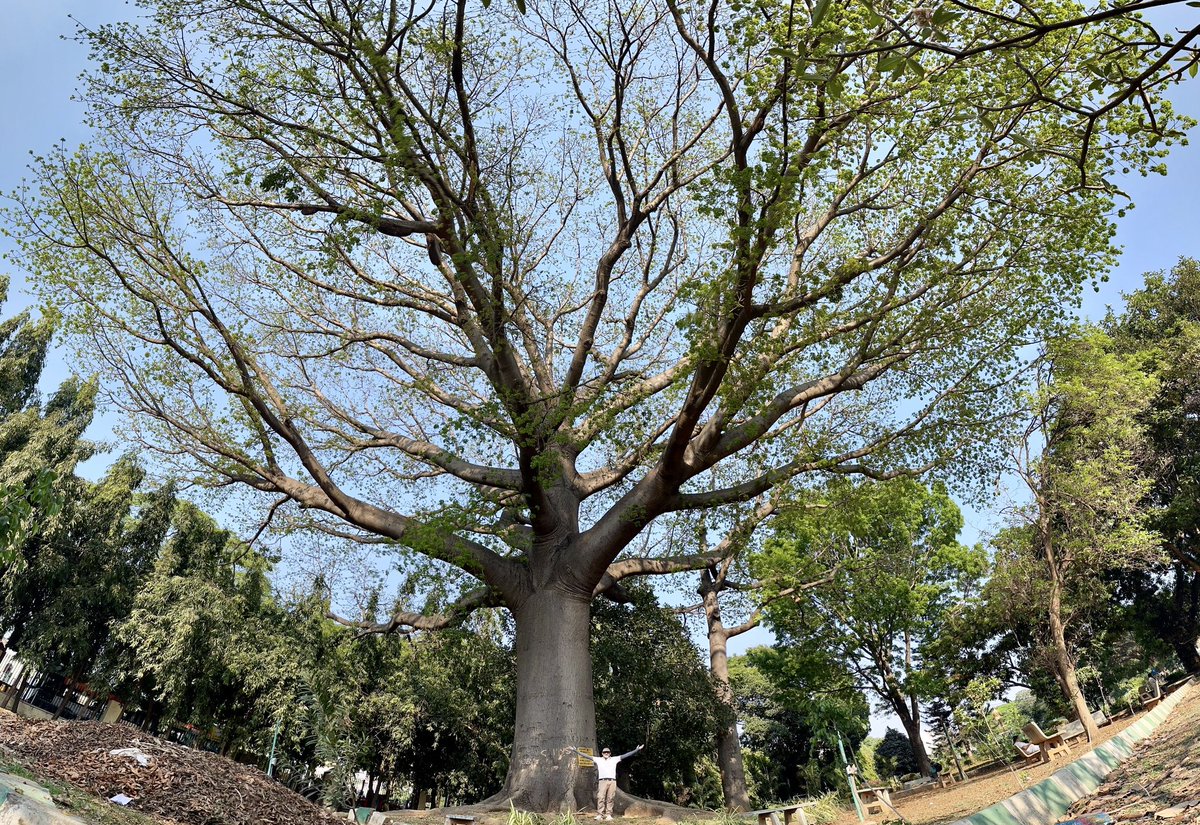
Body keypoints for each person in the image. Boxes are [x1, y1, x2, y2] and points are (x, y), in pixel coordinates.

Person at [566, 743, 644, 820]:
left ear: (610, 753)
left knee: (610, 798)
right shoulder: (598, 760)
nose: (606, 753)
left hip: (612, 781)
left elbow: (626, 755)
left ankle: (608, 814)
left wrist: (636, 750)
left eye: (607, 752)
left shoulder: (614, 759)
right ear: (602, 753)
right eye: (604, 752)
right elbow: (587, 756)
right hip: (602, 781)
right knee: (600, 797)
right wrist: (575, 751)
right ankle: (600, 814)